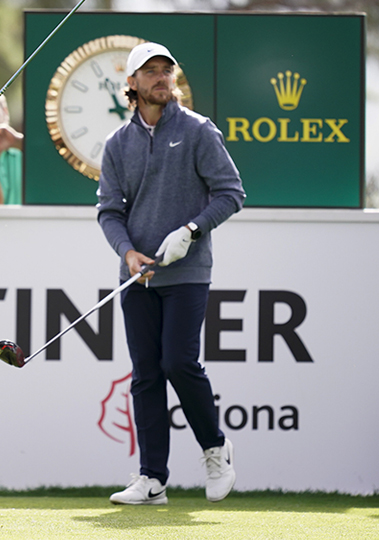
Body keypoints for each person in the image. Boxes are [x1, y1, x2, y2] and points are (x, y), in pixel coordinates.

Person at [97, 43, 245, 505]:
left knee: (178, 363)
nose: (162, 78)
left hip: (188, 272)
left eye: (167, 71)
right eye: (151, 72)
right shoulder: (118, 143)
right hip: (138, 276)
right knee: (145, 375)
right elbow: (109, 211)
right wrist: (127, 252)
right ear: (133, 84)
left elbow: (231, 193)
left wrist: (192, 230)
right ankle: (152, 478)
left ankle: (216, 449)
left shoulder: (199, 131)